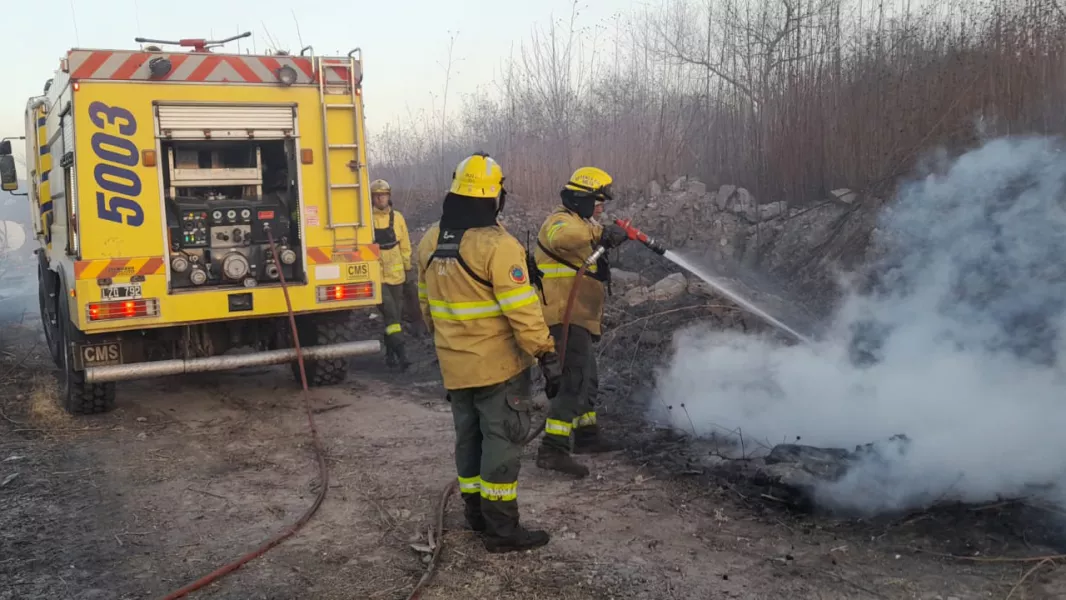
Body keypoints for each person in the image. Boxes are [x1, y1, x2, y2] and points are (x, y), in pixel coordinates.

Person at [416, 152, 563, 553]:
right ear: (494, 196)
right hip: (498, 368)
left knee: (469, 440)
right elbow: (522, 310)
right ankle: (502, 530)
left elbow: (426, 304)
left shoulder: (431, 239)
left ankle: (476, 516)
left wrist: (448, 342)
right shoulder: (498, 246)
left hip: (455, 366)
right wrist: (546, 355)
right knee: (501, 440)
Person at [532, 167, 630, 478]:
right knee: (573, 380)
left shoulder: (584, 223)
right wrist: (599, 233)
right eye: (598, 202)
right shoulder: (560, 222)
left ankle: (586, 436)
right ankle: (552, 448)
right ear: (583, 199)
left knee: (587, 379)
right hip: (562, 316)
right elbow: (562, 238)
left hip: (580, 318)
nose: (601, 208)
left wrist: (601, 232)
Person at [370, 179, 413, 370]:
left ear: (389, 196)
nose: (381, 198)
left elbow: (405, 246)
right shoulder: (366, 220)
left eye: (384, 194)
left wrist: (408, 269)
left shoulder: (398, 218)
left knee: (393, 318)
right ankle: (402, 354)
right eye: (377, 195)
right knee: (392, 315)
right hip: (378, 277)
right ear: (372, 198)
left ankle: (390, 355)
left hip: (397, 276)